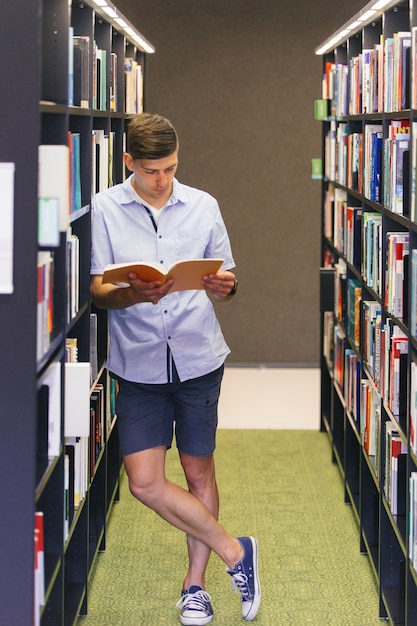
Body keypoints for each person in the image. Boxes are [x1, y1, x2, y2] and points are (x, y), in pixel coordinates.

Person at [90, 112, 261, 625]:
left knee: (195, 470)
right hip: (137, 360)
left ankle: (195, 587)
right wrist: (129, 292)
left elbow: (225, 274)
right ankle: (237, 552)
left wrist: (226, 285)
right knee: (143, 481)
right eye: (151, 170)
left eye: (169, 168)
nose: (162, 179)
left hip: (197, 356)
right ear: (128, 163)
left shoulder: (203, 205)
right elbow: (98, 291)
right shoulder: (105, 208)